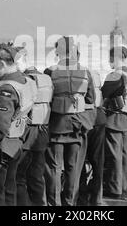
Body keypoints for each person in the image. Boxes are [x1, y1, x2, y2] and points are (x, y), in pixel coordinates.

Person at [44, 36, 96, 206]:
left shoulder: (50, 71)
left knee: (54, 168)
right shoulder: (85, 71)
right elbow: (90, 99)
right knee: (73, 168)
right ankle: (70, 204)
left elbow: (46, 99)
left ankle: (54, 204)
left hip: (56, 126)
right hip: (77, 126)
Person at [0, 42, 37, 206]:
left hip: (3, 147)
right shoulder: (26, 81)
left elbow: (0, 128)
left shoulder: (5, 89)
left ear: (1, 63)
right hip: (19, 140)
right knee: (10, 186)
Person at [14, 46, 53, 206]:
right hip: (42, 132)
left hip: (26, 133)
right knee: (37, 176)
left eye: (14, 62)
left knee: (19, 177)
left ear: (21, 60)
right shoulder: (45, 78)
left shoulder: (24, 80)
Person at [101, 46, 127, 200]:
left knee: (114, 156)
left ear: (117, 57)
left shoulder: (115, 75)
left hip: (114, 119)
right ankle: (122, 185)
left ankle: (114, 189)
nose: (109, 61)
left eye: (111, 58)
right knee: (125, 155)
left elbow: (103, 96)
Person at [75, 51, 106, 206]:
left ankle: (80, 198)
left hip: (82, 120)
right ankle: (97, 198)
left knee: (78, 161)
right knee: (97, 161)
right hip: (98, 118)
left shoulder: (67, 74)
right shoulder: (94, 73)